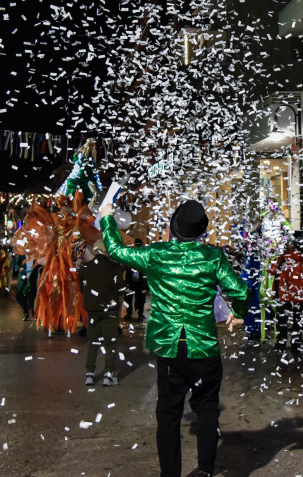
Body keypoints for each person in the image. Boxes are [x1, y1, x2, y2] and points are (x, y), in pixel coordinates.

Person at [100, 199, 248, 477]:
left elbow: (115, 250)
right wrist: (238, 313)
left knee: (168, 414)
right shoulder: (213, 257)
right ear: (201, 231)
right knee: (207, 409)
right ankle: (205, 470)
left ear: (172, 228)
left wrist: (107, 218)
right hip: (203, 346)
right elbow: (239, 290)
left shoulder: (156, 254)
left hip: (170, 348)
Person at [78, 239, 126, 387]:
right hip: (110, 311)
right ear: (107, 252)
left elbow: (82, 288)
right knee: (110, 343)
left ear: (96, 251)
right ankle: (108, 374)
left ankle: (89, 374)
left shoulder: (86, 267)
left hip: (92, 310)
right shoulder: (115, 267)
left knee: (92, 342)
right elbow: (121, 289)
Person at [267, 234, 303, 351]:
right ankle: (296, 344)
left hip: (283, 295)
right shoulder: (301, 258)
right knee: (297, 320)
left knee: (282, 320)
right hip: (298, 296)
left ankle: (281, 343)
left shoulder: (282, 259)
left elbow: (270, 269)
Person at [125, 238, 148, 321]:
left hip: (136, 281)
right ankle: (134, 313)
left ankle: (136, 313)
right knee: (135, 298)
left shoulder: (133, 254)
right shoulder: (143, 255)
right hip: (134, 281)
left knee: (138, 298)